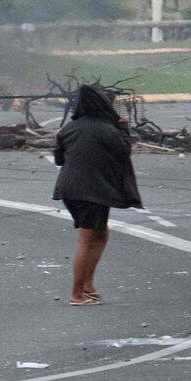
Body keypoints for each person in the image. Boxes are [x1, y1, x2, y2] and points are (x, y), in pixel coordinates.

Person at [53, 84, 141, 306]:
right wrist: (123, 128)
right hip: (93, 191)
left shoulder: (68, 129)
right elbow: (123, 151)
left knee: (100, 234)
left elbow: (59, 159)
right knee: (87, 238)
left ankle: (87, 286)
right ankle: (76, 294)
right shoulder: (107, 129)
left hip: (69, 190)